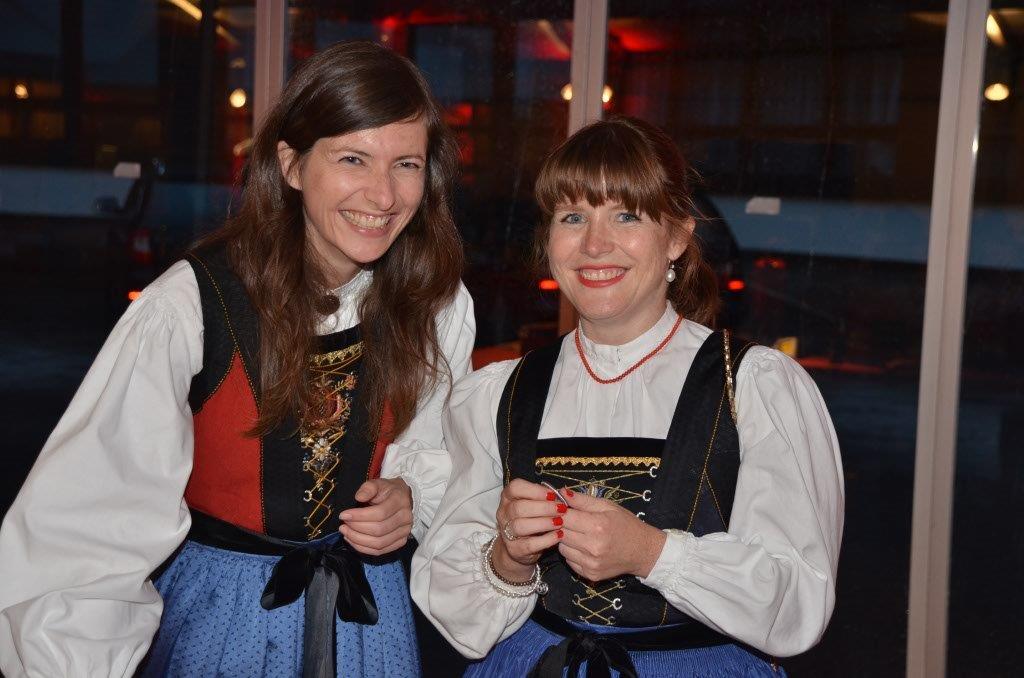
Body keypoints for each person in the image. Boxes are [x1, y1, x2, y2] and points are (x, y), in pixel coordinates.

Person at [0, 41, 474, 678]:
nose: (383, 195)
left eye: (406, 164)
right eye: (353, 158)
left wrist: (408, 496)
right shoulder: (190, 305)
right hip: (221, 614)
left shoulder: (436, 302)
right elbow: (94, 523)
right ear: (292, 164)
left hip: (366, 615)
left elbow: (443, 447)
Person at [411, 117, 843, 677]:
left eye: (627, 215)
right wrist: (509, 559)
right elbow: (458, 615)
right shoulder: (497, 394)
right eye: (573, 217)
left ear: (677, 237)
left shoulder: (755, 386)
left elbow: (799, 601)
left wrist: (650, 552)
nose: (595, 244)